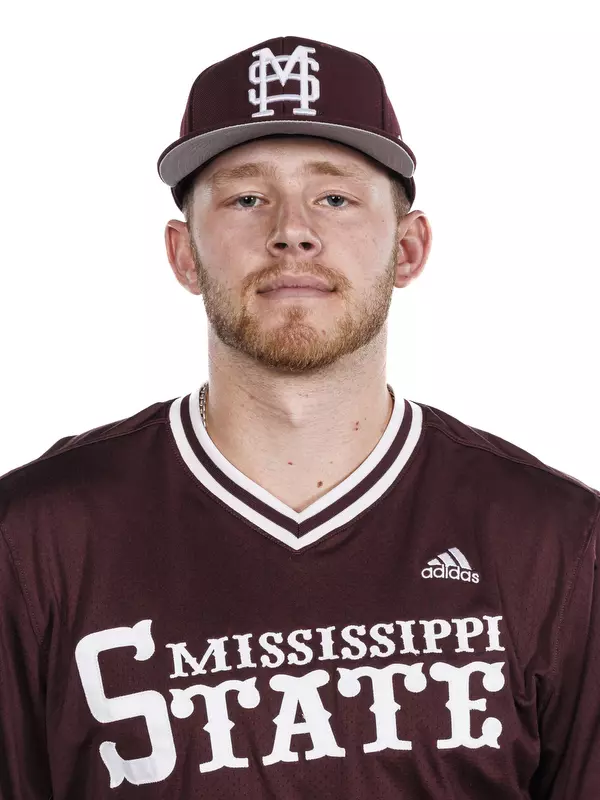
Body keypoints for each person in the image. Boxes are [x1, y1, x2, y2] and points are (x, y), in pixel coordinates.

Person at [0, 35, 598, 800]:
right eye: (246, 198)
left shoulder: (553, 543)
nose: (292, 230)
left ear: (408, 249)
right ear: (184, 255)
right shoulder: (36, 540)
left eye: (335, 197)